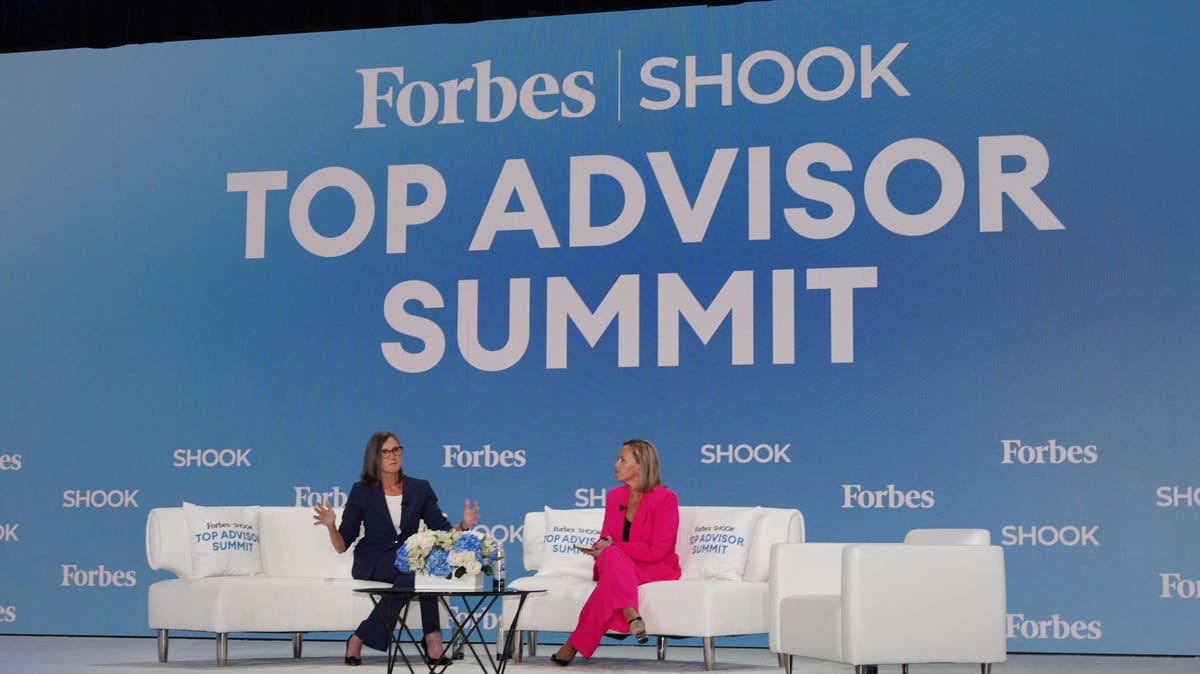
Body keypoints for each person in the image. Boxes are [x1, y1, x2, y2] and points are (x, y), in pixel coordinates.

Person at [313, 430, 480, 667]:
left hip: (407, 560)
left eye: (396, 450)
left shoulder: (420, 488)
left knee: (420, 572)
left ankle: (362, 636)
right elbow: (342, 546)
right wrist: (331, 526)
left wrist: (464, 525)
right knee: (417, 574)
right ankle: (431, 640)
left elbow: (442, 532)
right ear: (374, 457)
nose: (393, 456)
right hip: (373, 559)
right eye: (386, 452)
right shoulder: (361, 490)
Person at [550, 439, 681, 666]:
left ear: (640, 466)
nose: (615, 464)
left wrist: (613, 547)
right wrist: (600, 546)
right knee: (611, 556)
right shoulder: (615, 496)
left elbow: (658, 551)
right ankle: (630, 613)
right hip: (616, 562)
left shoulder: (665, 499)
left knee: (610, 571)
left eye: (622, 460)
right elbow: (606, 536)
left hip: (653, 566)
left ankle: (573, 644)